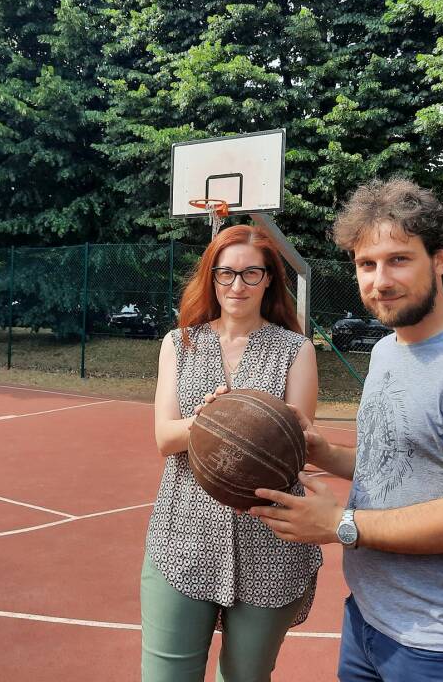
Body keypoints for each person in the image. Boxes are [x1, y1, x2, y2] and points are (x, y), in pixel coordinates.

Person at [250, 179, 443, 682]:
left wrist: (341, 525)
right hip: (370, 620)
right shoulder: (387, 350)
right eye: (366, 264)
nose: (380, 281)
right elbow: (394, 467)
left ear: (440, 259)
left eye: (399, 259)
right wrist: (320, 451)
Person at [142, 224, 322, 682]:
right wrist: (213, 423)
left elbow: (292, 448)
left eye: (250, 274)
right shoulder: (179, 343)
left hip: (271, 542)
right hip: (184, 536)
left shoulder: (295, 349)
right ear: (211, 277)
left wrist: (245, 427)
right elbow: (165, 438)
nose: (237, 285)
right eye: (226, 274)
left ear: (268, 280)